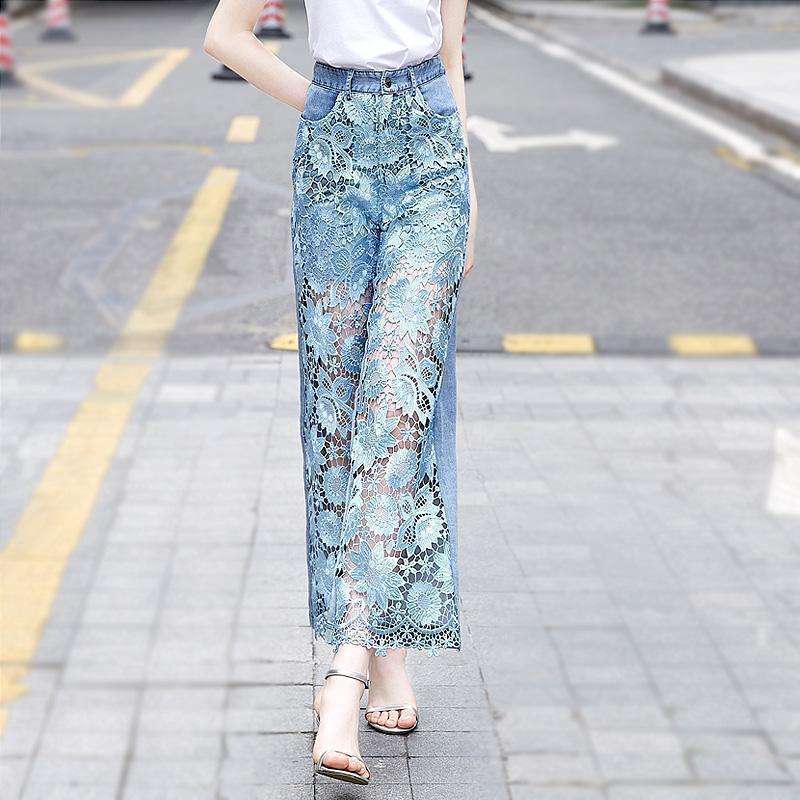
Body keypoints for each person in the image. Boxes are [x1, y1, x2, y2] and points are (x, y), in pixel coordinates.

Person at [204, 0, 477, 785]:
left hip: (432, 159)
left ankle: (345, 675)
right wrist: (320, 99)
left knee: (398, 407)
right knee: (338, 415)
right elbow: (225, 35)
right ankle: (385, 655)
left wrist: (470, 187)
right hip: (334, 161)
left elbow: (451, 56)